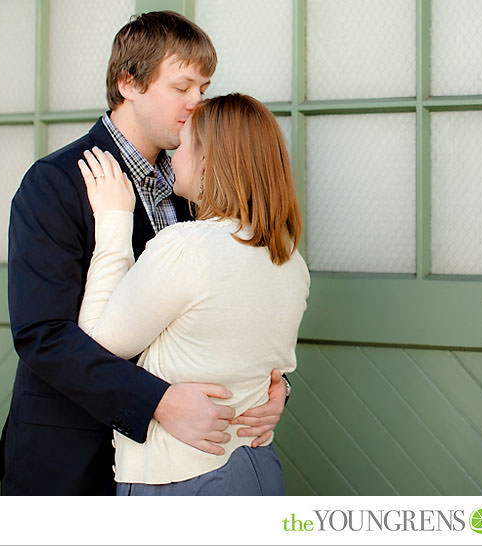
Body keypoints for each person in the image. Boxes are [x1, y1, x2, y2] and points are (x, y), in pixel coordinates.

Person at [0, 11, 288, 495]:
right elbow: (42, 335)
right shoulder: (56, 182)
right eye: (183, 87)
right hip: (71, 460)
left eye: (204, 87)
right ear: (128, 82)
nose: (198, 102)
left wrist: (273, 387)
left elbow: (225, 308)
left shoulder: (197, 186)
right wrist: (158, 402)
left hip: (179, 470)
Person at [76, 93, 308, 494]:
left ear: (206, 160)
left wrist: (114, 224)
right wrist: (282, 389)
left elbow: (96, 345)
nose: (171, 155)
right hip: (256, 467)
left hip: (184, 480)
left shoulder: (186, 246)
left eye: (182, 144)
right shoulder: (290, 260)